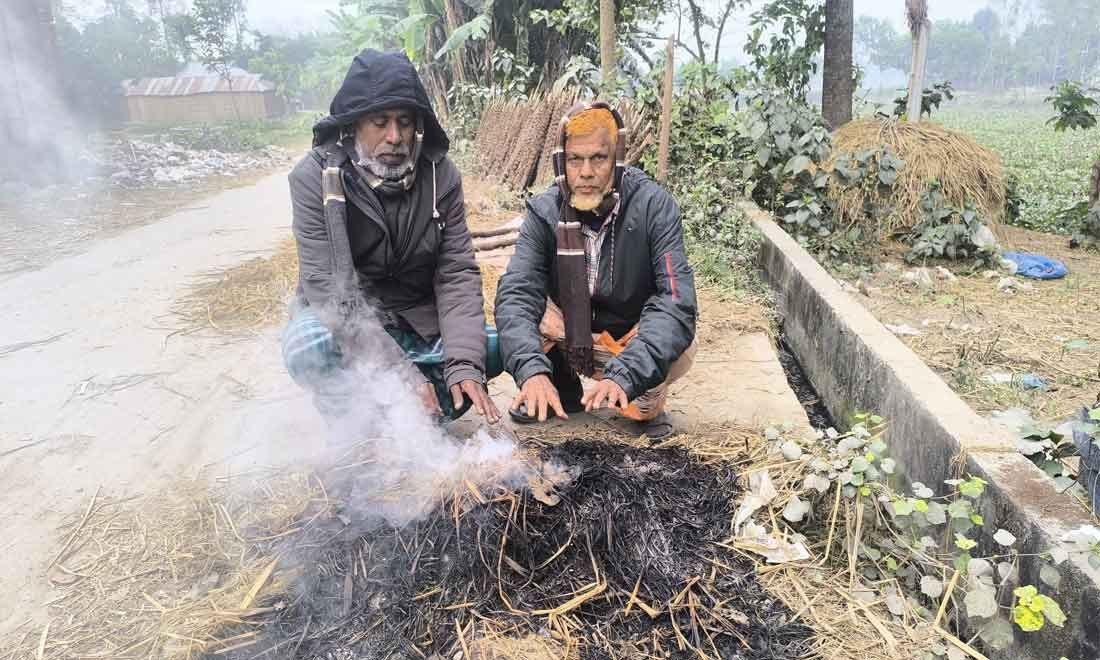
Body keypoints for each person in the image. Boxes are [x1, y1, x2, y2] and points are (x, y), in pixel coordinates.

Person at [281, 49, 500, 426]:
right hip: (346, 317)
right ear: (352, 125)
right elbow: (331, 291)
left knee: (495, 347)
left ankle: (420, 420)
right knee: (307, 347)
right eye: (379, 122)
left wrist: (464, 364)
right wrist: (402, 374)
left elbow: (456, 274)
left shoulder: (441, 176)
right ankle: (354, 425)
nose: (395, 136)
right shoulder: (312, 179)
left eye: (404, 121)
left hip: (417, 317)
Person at [494, 102, 697, 441]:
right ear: (562, 161)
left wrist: (625, 374)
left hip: (627, 340)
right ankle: (559, 387)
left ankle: (644, 399)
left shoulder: (653, 207)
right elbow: (516, 293)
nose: (585, 172)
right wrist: (530, 372)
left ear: (616, 158)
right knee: (520, 301)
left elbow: (676, 302)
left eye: (598, 159)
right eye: (575, 159)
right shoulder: (544, 212)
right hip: (569, 335)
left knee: (672, 353)